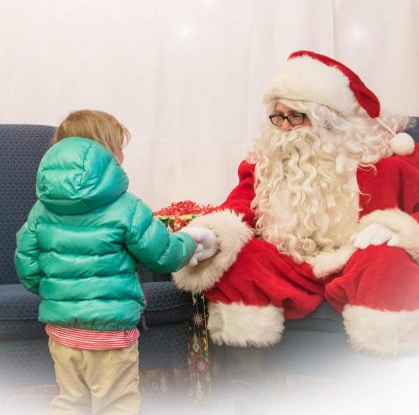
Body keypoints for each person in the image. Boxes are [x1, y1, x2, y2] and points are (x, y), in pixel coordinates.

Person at [172, 50, 419, 358]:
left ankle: (380, 385)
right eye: (278, 116)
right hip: (291, 262)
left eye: (295, 117)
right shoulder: (264, 164)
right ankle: (246, 389)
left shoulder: (389, 165)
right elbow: (238, 208)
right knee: (243, 262)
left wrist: (400, 229)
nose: (284, 127)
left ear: (329, 121)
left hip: (355, 259)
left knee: (388, 264)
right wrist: (214, 235)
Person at [14, 109, 217, 415]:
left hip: (61, 330)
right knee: (116, 403)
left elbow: (26, 264)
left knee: (71, 402)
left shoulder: (41, 209)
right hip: (110, 333)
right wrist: (190, 242)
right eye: (120, 147)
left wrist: (56, 291)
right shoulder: (125, 206)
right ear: (106, 152)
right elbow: (163, 254)